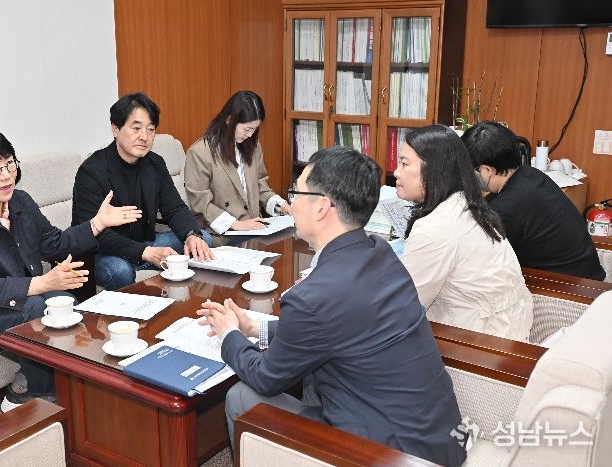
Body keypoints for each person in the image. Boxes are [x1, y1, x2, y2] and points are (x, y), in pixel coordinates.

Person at [198, 147, 466, 466]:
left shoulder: (314, 296)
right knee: (313, 376)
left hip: (387, 454)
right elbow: (337, 327)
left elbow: (265, 378)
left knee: (243, 396)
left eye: (296, 192)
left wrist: (230, 334)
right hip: (439, 440)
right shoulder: (379, 252)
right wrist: (256, 327)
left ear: (322, 206)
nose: (291, 204)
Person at [0, 125, 142, 411]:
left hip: (5, 299)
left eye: (9, 163)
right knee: (35, 309)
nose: (6, 175)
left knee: (64, 303)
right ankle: (34, 395)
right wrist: (45, 282)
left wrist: (98, 223)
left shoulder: (19, 202)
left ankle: (61, 384)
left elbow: (55, 243)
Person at [395, 124, 533, 340]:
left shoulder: (436, 227)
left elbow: (402, 307)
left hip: (479, 346)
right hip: (508, 331)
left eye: (404, 164)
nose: (396, 172)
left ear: (434, 169)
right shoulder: (465, 202)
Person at [72, 93, 214, 291]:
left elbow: (175, 208)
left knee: (202, 240)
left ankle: (184, 299)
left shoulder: (155, 163)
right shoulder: (91, 171)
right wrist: (146, 253)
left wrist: (191, 235)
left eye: (150, 129)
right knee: (119, 270)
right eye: (136, 128)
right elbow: (96, 235)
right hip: (104, 251)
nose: (144, 137)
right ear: (115, 129)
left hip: (145, 241)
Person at [462, 121, 604, 280]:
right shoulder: (528, 174)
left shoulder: (507, 208)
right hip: (587, 275)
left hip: (567, 288)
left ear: (487, 170)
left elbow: (481, 259)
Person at [184, 91, 290, 234]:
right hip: (223, 233)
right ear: (229, 120)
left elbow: (259, 184)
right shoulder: (199, 152)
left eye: (254, 129)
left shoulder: (252, 146)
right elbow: (200, 202)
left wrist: (281, 205)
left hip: (254, 228)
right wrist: (235, 224)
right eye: (247, 129)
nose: (250, 135)